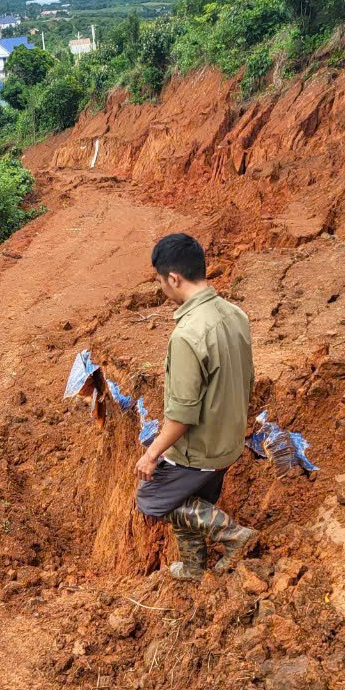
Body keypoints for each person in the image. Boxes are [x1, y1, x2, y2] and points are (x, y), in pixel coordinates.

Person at [134, 233, 258, 580]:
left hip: (201, 451)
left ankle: (235, 535)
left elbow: (182, 416)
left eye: (161, 281)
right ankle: (193, 567)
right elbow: (248, 381)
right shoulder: (235, 315)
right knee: (189, 502)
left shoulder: (188, 334)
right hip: (228, 441)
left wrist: (152, 453)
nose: (162, 288)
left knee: (154, 499)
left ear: (173, 278)